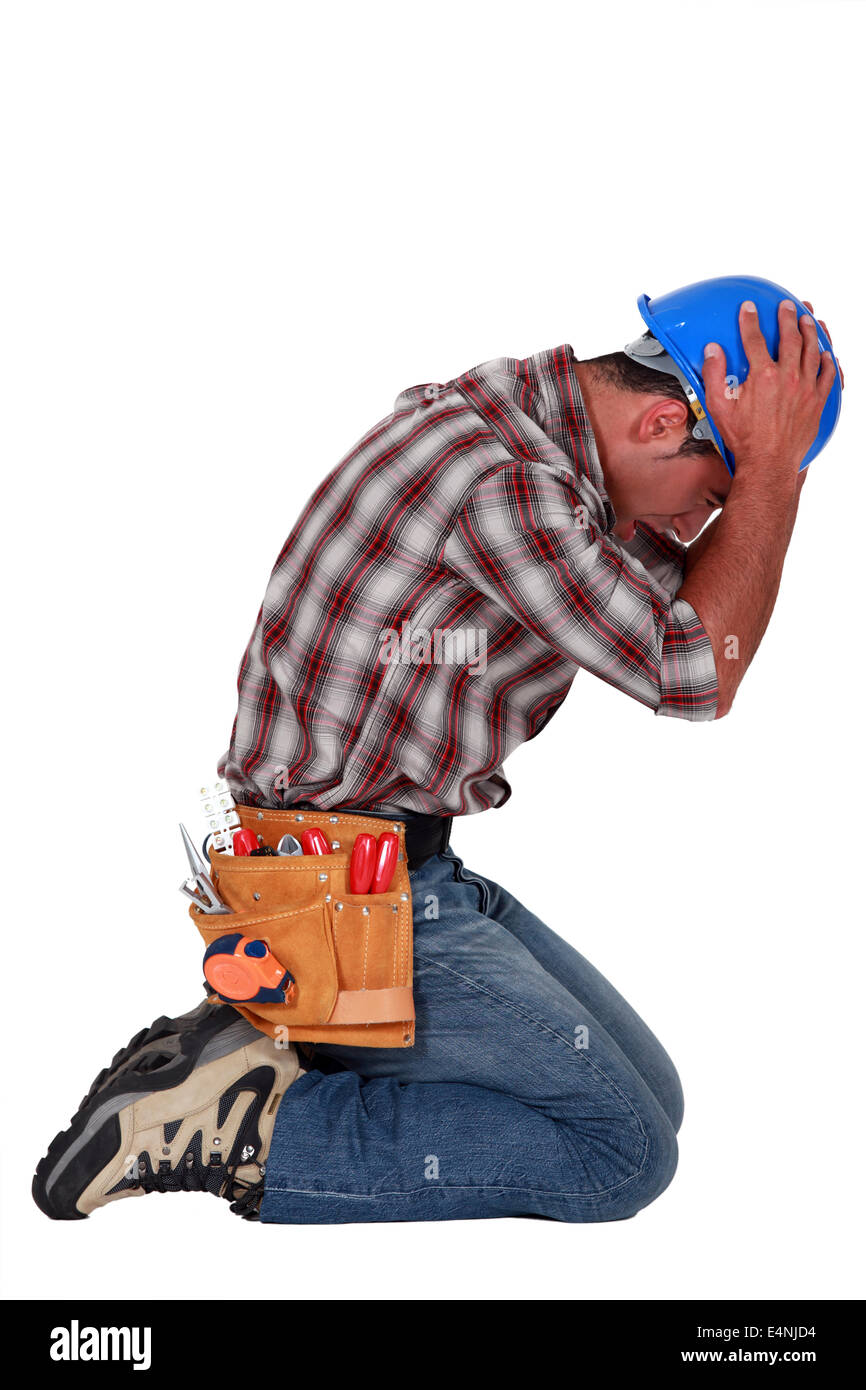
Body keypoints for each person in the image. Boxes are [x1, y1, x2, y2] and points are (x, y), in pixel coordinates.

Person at [33, 289, 839, 1225]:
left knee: (657, 1098)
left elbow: (692, 604)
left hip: (383, 864)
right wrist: (773, 471)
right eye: (714, 496)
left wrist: (763, 466)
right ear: (663, 419)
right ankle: (250, 1125)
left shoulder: (526, 436)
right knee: (624, 1154)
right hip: (339, 896)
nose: (704, 526)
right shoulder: (506, 483)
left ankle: (275, 1041)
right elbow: (695, 671)